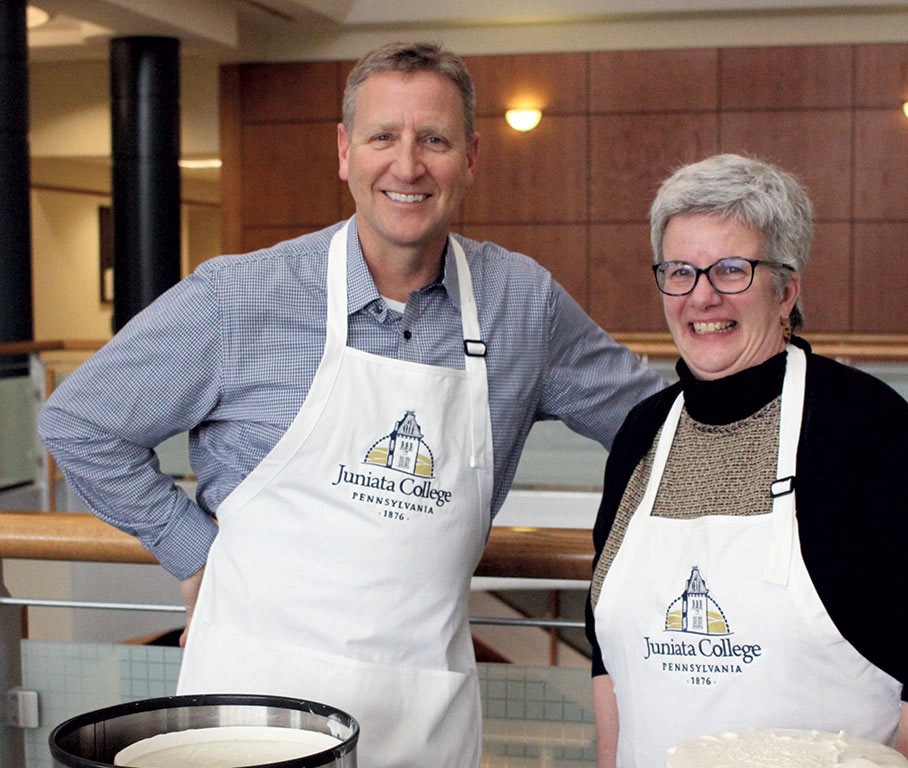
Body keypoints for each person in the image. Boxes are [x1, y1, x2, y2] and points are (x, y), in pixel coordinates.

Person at [37, 42, 664, 768]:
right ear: (344, 152)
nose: (407, 166)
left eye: (434, 139)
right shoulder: (239, 297)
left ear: (471, 156)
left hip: (422, 720)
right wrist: (193, 552)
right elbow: (78, 420)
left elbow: (661, 421)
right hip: (249, 713)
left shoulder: (521, 304)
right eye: (382, 138)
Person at [585, 154, 908, 768]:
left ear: (786, 290)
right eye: (680, 271)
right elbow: (607, 648)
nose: (702, 296)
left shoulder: (867, 426)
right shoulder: (643, 431)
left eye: (732, 270)